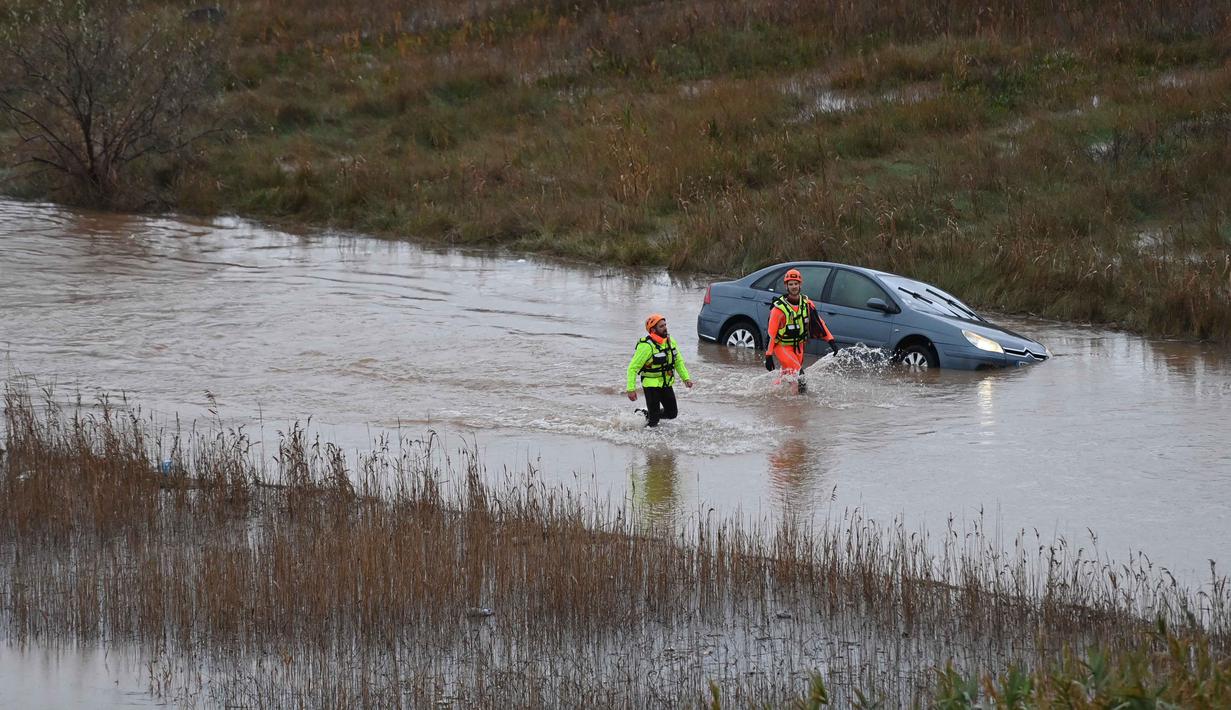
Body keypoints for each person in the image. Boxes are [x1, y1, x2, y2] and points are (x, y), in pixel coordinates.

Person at [764, 268, 838, 393]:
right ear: (786, 286)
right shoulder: (778, 309)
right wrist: (769, 355)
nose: (794, 287)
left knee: (788, 377)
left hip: (799, 348)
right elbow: (771, 334)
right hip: (783, 347)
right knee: (800, 378)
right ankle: (799, 410)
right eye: (790, 284)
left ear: (800, 285)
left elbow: (820, 323)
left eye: (796, 284)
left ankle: (774, 399)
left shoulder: (807, 304)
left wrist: (831, 341)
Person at [626, 314, 693, 427]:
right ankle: (645, 438)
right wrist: (630, 389)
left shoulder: (670, 341)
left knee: (672, 414)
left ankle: (646, 414)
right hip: (651, 385)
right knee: (654, 422)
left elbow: (678, 361)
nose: (665, 328)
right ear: (653, 330)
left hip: (666, 383)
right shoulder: (646, 346)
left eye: (665, 325)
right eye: (661, 326)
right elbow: (632, 368)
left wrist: (685, 378)